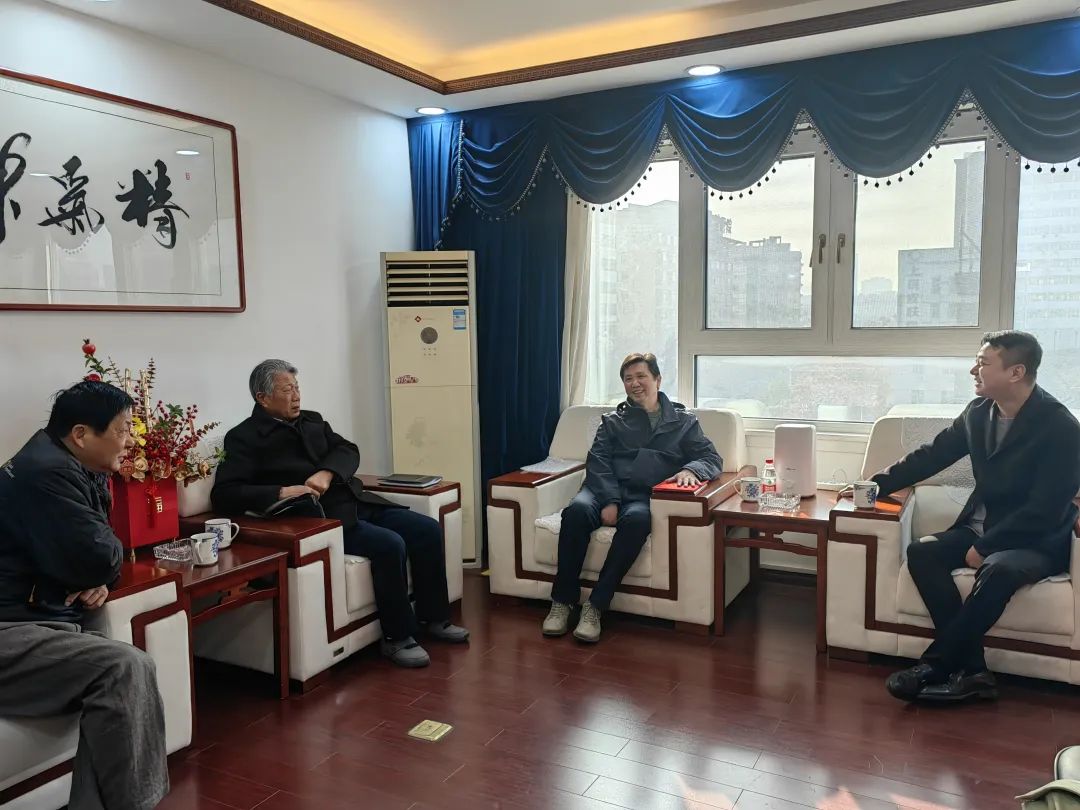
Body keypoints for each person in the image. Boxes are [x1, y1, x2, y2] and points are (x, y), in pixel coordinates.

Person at [864, 331, 1080, 702]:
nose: (972, 370)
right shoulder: (978, 412)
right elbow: (931, 455)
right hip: (980, 527)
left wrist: (986, 546)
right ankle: (974, 671)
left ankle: (935, 665)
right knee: (922, 552)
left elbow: (1045, 508)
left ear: (1016, 372)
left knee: (997, 569)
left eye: (982, 363)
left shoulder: (1061, 428)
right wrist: (873, 485)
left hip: (1034, 540)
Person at [212, 359, 468, 668]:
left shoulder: (312, 420)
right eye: (287, 390)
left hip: (355, 501)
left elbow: (348, 450)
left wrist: (327, 473)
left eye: (297, 387)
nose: (297, 396)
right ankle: (397, 637)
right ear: (262, 398)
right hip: (320, 520)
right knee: (390, 544)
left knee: (426, 529)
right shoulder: (244, 437)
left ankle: (434, 618)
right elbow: (225, 493)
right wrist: (282, 491)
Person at [0, 381, 169, 810]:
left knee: (119, 676)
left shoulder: (62, 462)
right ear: (80, 434)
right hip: (11, 625)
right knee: (125, 667)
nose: (129, 441)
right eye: (123, 430)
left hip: (33, 614)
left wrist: (95, 570)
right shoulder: (47, 473)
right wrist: (95, 567)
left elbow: (93, 555)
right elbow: (101, 554)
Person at [543, 352, 723, 643]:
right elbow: (598, 462)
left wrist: (691, 469)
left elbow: (712, 458)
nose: (635, 383)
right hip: (601, 489)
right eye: (628, 379)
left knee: (639, 520)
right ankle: (562, 601)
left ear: (657, 380)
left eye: (641, 376)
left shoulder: (683, 423)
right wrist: (611, 501)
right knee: (576, 511)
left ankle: (596, 606)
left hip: (642, 494)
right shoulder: (613, 421)